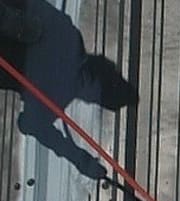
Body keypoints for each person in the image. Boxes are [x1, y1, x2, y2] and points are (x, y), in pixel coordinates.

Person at [0, 0, 138, 179]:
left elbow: (32, 124)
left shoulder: (70, 39)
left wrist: (79, 158)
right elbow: (29, 124)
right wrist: (79, 158)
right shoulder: (58, 90)